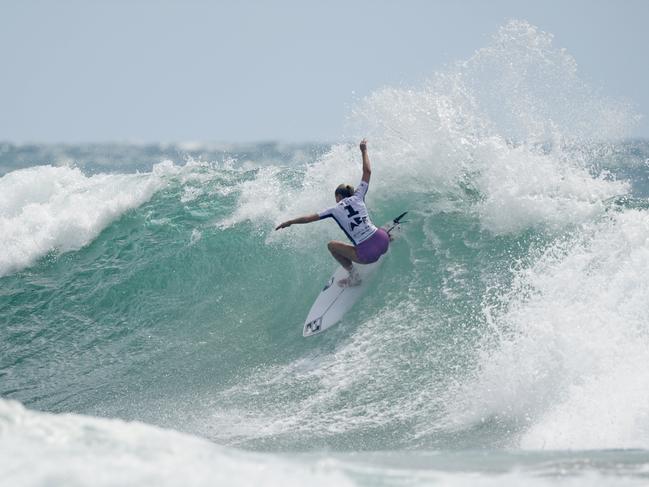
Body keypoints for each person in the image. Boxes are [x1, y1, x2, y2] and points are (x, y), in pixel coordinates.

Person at [275, 139, 390, 287]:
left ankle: (354, 277)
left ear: (339, 197)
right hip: (383, 240)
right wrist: (363, 150)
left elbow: (308, 218)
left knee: (332, 246)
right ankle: (390, 237)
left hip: (368, 256)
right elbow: (367, 171)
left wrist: (290, 222)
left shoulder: (334, 210)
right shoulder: (359, 195)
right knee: (369, 223)